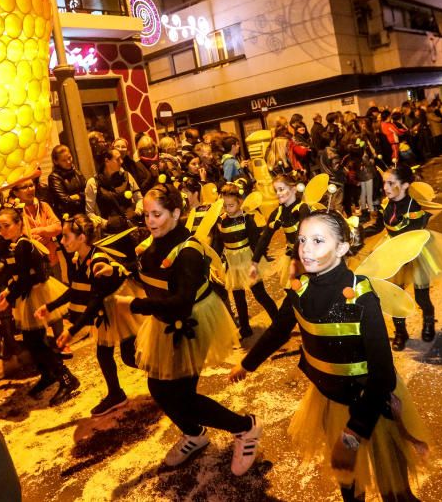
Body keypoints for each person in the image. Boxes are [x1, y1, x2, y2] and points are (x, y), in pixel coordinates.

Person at [229, 211, 427, 501]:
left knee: (395, 492)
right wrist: (247, 364)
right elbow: (278, 331)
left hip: (371, 403)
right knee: (349, 484)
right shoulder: (300, 290)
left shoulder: (360, 297)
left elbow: (382, 374)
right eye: (302, 240)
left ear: (343, 248)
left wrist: (354, 432)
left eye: (318, 241)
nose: (306, 249)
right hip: (331, 401)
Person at [130, 184, 262, 474]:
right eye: (147, 214)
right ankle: (194, 433)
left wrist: (139, 306)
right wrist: (119, 271)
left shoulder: (187, 252)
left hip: (190, 321)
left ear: (176, 213)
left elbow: (181, 303)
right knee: (159, 387)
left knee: (180, 395)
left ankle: (245, 428)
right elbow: (155, 281)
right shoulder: (153, 242)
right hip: (166, 319)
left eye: (157, 214)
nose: (150, 221)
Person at [40, 215, 143, 416]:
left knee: (129, 356)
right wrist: (50, 306)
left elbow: (94, 301)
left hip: (119, 307)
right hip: (106, 308)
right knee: (104, 354)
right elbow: (76, 289)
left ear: (82, 238)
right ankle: (116, 393)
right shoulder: (80, 257)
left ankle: (165, 373)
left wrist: (72, 331)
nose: (61, 242)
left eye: (66, 237)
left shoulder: (97, 261)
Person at [0, 207, 79, 405]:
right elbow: (20, 276)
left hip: (35, 294)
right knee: (33, 341)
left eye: (7, 226)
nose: (3, 231)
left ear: (19, 224)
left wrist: (10, 298)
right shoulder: (17, 245)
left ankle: (66, 378)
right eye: (0, 227)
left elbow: (27, 278)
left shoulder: (23, 245)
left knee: (36, 341)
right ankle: (48, 374)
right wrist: (9, 291)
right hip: (29, 293)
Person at [370, 166, 442, 350]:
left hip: (415, 253)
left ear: (406, 185)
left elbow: (415, 233)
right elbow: (378, 227)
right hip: (393, 251)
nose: (385, 187)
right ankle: (401, 332)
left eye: (391, 183)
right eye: (385, 182)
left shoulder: (415, 207)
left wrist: (404, 254)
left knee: (421, 298)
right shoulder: (386, 203)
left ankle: (429, 321)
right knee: (394, 296)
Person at [210, 182, 278, 338]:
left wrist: (257, 261)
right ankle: (245, 328)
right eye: (225, 205)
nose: (228, 209)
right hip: (232, 262)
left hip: (248, 260)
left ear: (240, 202)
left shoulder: (247, 219)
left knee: (260, 294)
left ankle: (278, 321)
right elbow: (218, 242)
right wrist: (214, 260)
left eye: (231, 205)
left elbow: (256, 242)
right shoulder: (220, 221)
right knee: (238, 297)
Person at [251, 170, 311, 290]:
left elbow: (302, 236)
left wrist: (295, 262)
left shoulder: (303, 208)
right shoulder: (277, 213)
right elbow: (265, 238)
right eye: (276, 190)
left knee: (309, 290)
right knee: (291, 291)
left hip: (307, 256)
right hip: (291, 256)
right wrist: (255, 262)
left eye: (281, 189)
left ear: (293, 189)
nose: (278, 193)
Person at [85, 147, 142, 232]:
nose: (121, 162)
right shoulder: (93, 183)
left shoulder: (127, 176)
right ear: (107, 161)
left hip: (132, 227)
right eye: (118, 159)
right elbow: (89, 213)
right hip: (110, 232)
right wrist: (106, 223)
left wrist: (137, 212)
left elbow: (140, 198)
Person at [47, 144, 87, 221]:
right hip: (68, 217)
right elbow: (65, 201)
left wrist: (77, 196)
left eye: (69, 158)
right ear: (56, 161)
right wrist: (81, 196)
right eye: (64, 160)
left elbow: (88, 192)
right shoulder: (54, 177)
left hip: (83, 213)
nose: (69, 162)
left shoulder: (76, 172)